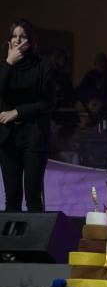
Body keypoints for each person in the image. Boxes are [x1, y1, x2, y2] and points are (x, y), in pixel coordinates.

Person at [0, 19, 54, 211]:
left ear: (30, 41)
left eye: (22, 37)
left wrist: (17, 112)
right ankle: (11, 241)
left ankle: (33, 241)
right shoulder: (4, 66)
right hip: (8, 139)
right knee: (12, 198)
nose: (17, 40)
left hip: (34, 136)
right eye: (14, 36)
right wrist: (8, 63)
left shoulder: (43, 66)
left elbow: (48, 102)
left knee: (33, 196)